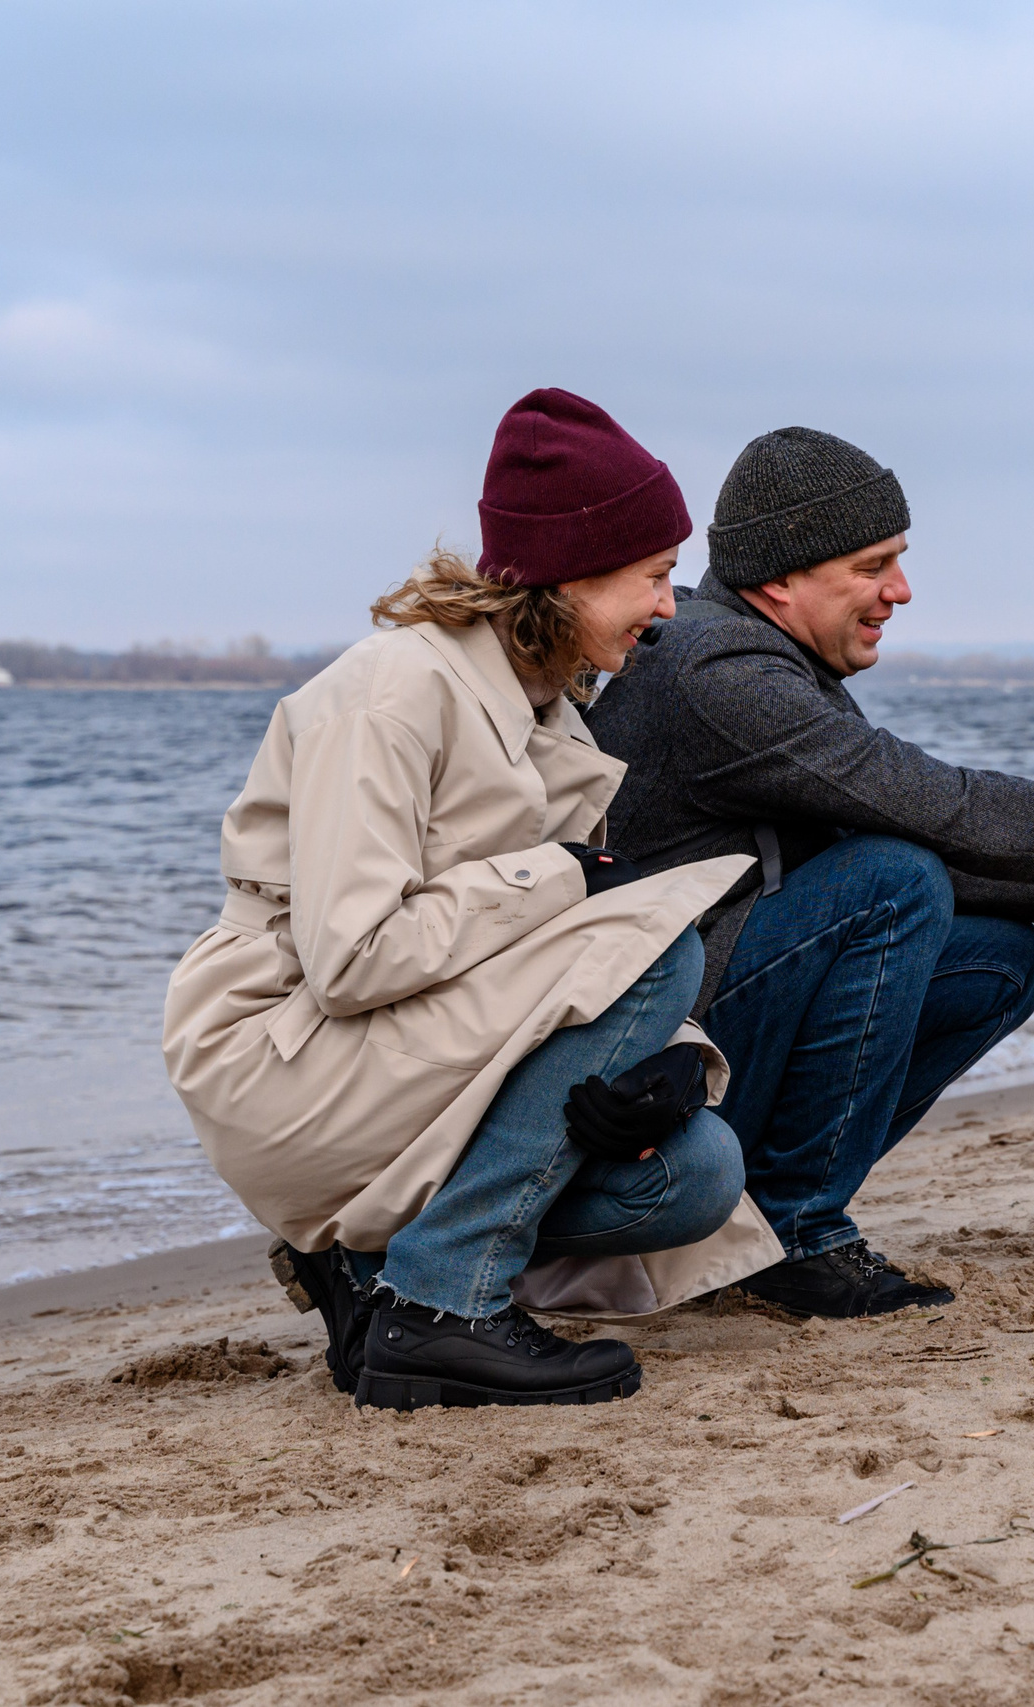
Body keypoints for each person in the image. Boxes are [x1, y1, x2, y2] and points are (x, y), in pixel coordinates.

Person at [586, 427, 1034, 1318]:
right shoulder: (721, 672)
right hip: (650, 1059)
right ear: (781, 576)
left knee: (997, 958)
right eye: (873, 565)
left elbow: (868, 828)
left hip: (704, 1013)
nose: (901, 590)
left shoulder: (749, 647)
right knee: (893, 880)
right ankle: (798, 1230)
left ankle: (764, 1214)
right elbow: (933, 803)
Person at [163, 388, 781, 1410]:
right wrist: (564, 876)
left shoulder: (549, 713)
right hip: (281, 1049)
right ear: (570, 575)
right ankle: (443, 1306)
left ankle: (374, 1272)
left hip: (395, 1049)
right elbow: (354, 956)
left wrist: (664, 1057)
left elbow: (535, 965)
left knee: (698, 1172)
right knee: (656, 945)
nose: (671, 608)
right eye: (655, 578)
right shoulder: (395, 691)